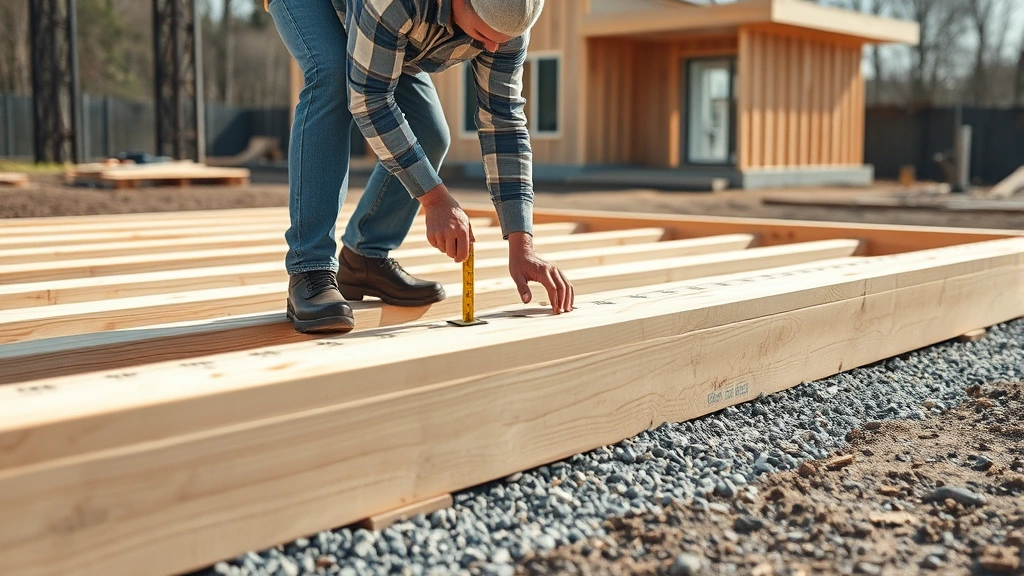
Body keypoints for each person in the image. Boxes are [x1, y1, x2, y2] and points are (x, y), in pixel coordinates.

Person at [267, 0, 575, 334]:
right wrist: (435, 199)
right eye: (484, 35)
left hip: (379, 22)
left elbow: (503, 122)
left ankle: (364, 258)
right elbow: (368, 100)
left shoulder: (506, 24)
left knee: (429, 132)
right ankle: (309, 269)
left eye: (503, 40)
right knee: (331, 77)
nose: (492, 47)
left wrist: (522, 243)